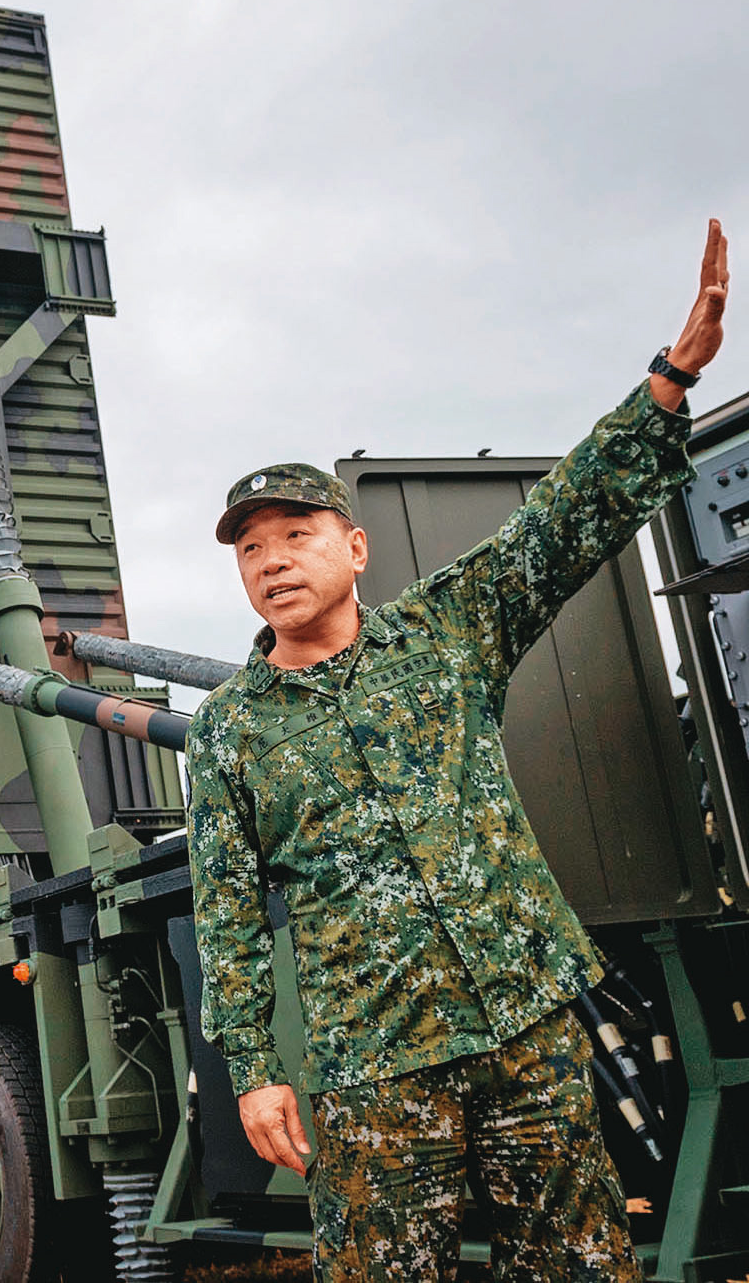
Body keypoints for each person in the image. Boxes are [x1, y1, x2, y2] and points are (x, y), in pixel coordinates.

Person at [185, 220, 729, 1280]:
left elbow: (560, 526)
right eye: (249, 549)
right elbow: (228, 917)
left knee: (578, 1266)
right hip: (375, 1065)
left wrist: (666, 381)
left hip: (524, 1023)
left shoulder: (443, 633)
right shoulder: (228, 732)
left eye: (294, 534)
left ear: (353, 546)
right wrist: (251, 1070)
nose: (270, 561)